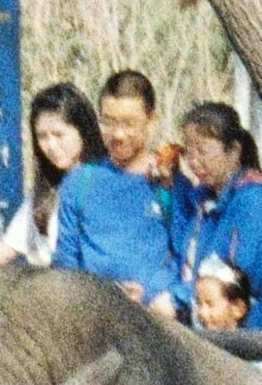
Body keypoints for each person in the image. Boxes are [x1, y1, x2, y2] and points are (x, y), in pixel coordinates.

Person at [49, 89, 182, 315]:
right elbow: (66, 259)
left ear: (151, 120)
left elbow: (185, 256)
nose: (118, 135)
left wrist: (150, 292)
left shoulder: (170, 183)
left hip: (155, 322)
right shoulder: (80, 181)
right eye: (108, 122)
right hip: (92, 320)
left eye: (129, 123)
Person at [164, 101, 262, 330]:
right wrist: (175, 184)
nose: (194, 161)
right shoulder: (204, 201)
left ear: (234, 151)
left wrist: (177, 297)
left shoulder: (255, 203)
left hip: (248, 336)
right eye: (188, 151)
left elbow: (238, 279)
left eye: (203, 151)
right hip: (204, 323)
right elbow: (182, 254)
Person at [0, 81, 102, 268]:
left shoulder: (106, 184)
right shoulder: (44, 193)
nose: (50, 146)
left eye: (59, 135)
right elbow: (4, 253)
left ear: (83, 130)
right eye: (42, 136)